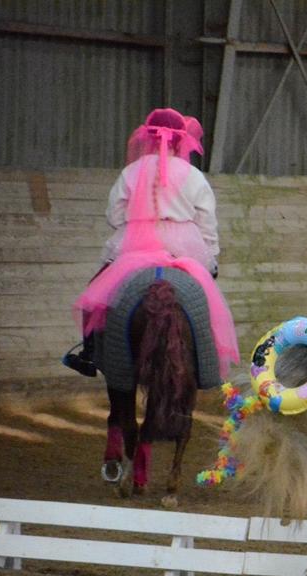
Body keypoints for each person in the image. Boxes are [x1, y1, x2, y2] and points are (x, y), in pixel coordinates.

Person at [64, 108, 221, 376]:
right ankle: (208, 360)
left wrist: (139, 220)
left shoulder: (131, 172)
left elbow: (114, 216)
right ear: (179, 141)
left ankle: (89, 353)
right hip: (185, 246)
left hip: (135, 244)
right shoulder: (194, 176)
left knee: (96, 294)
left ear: (147, 138)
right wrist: (211, 256)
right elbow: (206, 221)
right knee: (207, 300)